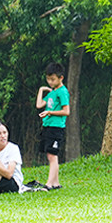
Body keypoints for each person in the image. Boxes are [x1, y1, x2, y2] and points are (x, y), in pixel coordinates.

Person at [36, 62, 70, 190]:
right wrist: (41, 90)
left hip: (56, 128)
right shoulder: (53, 92)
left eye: (53, 79)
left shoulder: (62, 92)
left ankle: (49, 184)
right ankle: (55, 183)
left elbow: (66, 111)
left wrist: (50, 112)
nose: (50, 82)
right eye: (48, 79)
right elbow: (39, 105)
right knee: (50, 154)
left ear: (61, 78)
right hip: (48, 127)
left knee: (52, 155)